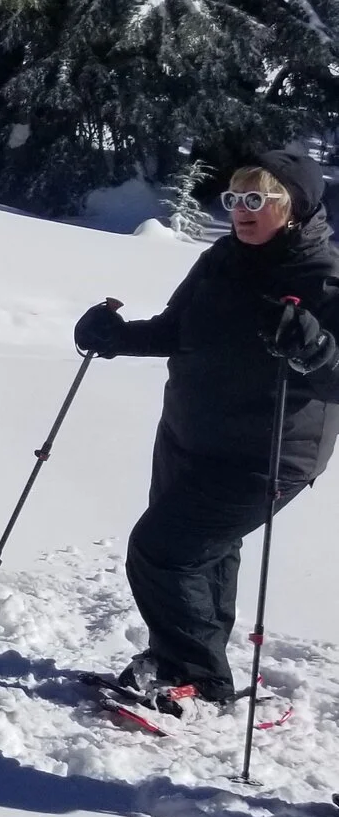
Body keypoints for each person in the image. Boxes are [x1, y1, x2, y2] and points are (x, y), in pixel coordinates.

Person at [73, 152, 339, 704]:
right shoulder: (223, 257)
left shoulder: (323, 278)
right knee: (204, 556)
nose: (242, 211)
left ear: (293, 207)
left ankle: (189, 673)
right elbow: (179, 330)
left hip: (266, 454)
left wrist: (315, 350)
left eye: (257, 200)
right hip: (190, 433)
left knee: (162, 550)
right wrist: (117, 337)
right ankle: (192, 670)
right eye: (235, 199)